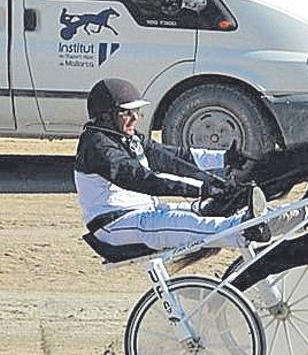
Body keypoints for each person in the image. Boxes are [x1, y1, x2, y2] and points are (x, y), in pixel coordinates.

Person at [74, 78, 296, 260]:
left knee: (205, 210)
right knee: (189, 224)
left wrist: (224, 159)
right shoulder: (96, 146)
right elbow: (143, 179)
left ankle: (290, 215)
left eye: (137, 112)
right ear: (106, 116)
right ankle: (245, 230)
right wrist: (202, 189)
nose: (135, 118)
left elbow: (173, 158)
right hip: (115, 226)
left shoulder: (125, 137)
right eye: (127, 113)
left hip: (146, 213)